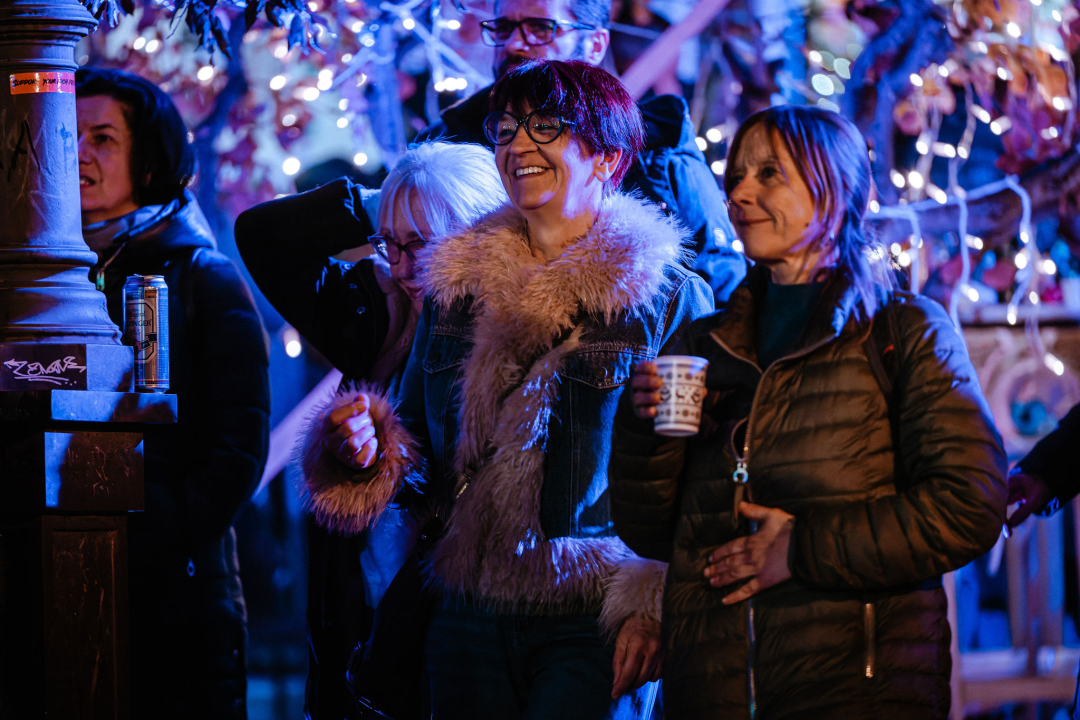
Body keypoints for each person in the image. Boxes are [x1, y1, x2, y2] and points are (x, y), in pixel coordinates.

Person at [304, 60, 713, 719]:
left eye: (545, 126)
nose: (518, 144)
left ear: (608, 157)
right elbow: (413, 450)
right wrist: (363, 451)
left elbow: (695, 462)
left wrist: (655, 604)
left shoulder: (666, 299)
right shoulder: (455, 289)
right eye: (505, 128)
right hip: (467, 610)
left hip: (594, 614)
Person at [608, 105, 1008, 719]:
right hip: (713, 691)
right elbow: (657, 533)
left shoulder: (902, 333)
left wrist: (800, 550)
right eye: (736, 174)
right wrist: (647, 431)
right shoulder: (701, 344)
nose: (739, 191)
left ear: (838, 191)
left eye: (770, 174)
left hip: (858, 688)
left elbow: (967, 507)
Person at [234, 142, 508, 719]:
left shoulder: (511, 327)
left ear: (478, 234)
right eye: (391, 245)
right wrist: (398, 197)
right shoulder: (376, 309)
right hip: (362, 607)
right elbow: (261, 235)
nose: (404, 267)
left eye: (422, 244)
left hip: (456, 623)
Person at [76, 68, 271, 720]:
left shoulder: (201, 277)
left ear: (151, 156)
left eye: (102, 138)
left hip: (179, 589)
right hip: (64, 570)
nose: (79, 154)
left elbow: (239, 444)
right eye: (66, 136)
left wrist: (157, 518)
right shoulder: (44, 280)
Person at [416, 0, 745, 302]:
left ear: (596, 44)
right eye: (503, 28)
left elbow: (719, 285)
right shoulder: (447, 144)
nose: (514, 44)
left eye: (540, 27)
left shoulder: (659, 146)